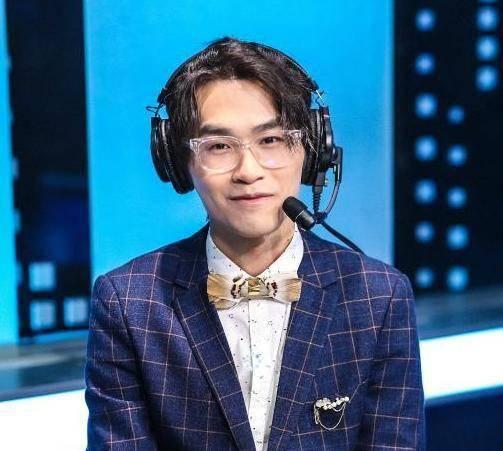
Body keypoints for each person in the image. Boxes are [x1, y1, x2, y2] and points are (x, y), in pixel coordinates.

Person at [85, 36, 425, 450]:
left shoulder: (378, 296)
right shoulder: (127, 301)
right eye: (218, 146)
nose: (248, 171)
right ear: (179, 163)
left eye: (271, 140)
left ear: (312, 152)